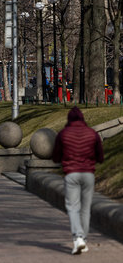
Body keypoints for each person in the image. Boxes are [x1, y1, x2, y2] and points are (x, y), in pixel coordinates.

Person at [52, 106, 104, 255]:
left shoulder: (63, 134)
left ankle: (78, 238)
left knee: (73, 207)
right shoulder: (92, 133)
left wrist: (61, 161)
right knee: (85, 209)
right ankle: (83, 239)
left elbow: (56, 155)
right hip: (88, 173)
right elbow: (100, 155)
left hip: (71, 173)